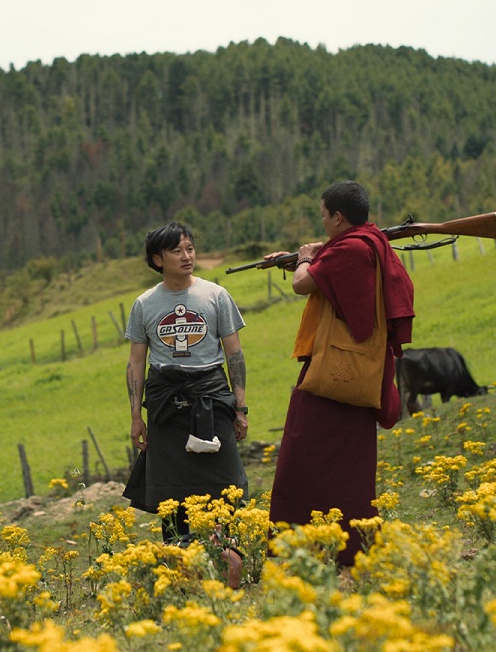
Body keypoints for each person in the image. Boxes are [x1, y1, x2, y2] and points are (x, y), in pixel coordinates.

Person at [267, 180, 415, 566]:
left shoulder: (350, 248)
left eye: (323, 216)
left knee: (300, 456)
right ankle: (349, 545)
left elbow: (304, 284)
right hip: (358, 368)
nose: (322, 222)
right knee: (347, 464)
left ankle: (305, 547)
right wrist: (307, 255)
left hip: (336, 370)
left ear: (338, 216)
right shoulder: (367, 242)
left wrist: (302, 258)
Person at [122, 222, 248, 585]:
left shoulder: (216, 295)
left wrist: (239, 408)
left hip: (211, 397)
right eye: (177, 251)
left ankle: (229, 567)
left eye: (190, 248)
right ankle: (180, 573)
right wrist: (135, 416)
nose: (187, 256)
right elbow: (135, 363)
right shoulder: (145, 304)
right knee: (171, 492)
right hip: (165, 404)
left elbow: (234, 355)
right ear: (157, 259)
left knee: (226, 484)